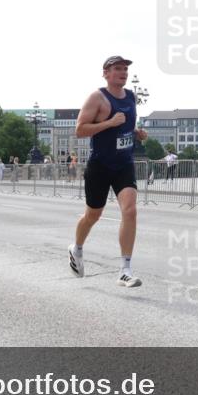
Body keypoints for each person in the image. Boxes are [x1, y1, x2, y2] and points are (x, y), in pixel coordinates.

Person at [68, 55, 148, 287]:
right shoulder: (97, 97)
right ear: (105, 73)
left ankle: (125, 270)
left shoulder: (131, 97)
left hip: (124, 164)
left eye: (125, 69)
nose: (123, 72)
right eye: (117, 69)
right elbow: (80, 130)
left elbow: (126, 126)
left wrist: (136, 133)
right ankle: (77, 248)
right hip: (100, 166)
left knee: (130, 211)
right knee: (93, 215)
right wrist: (109, 123)